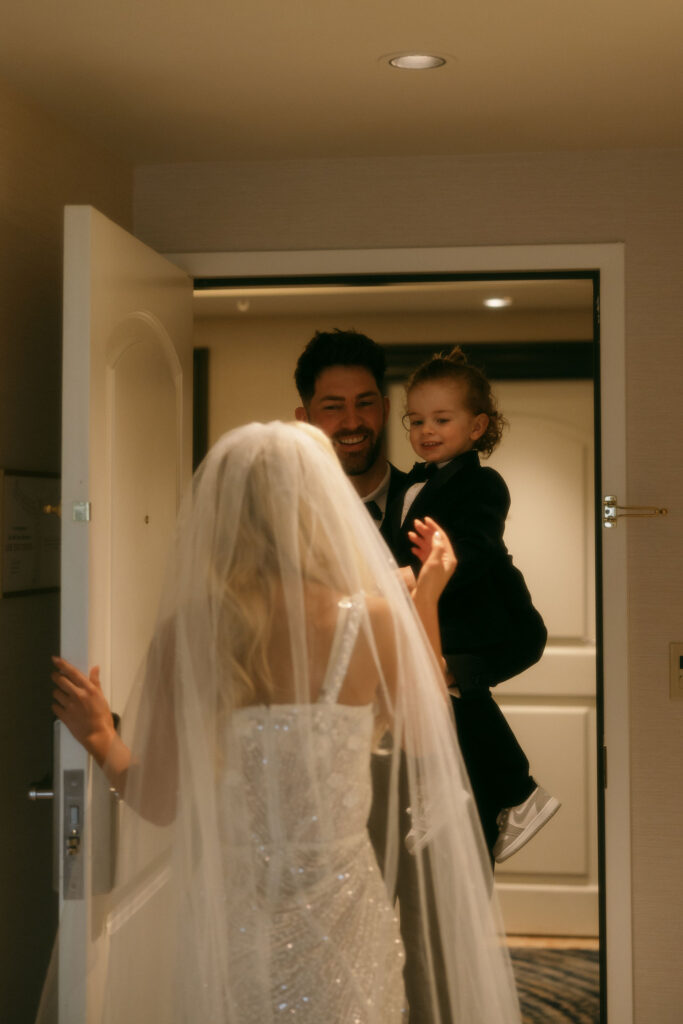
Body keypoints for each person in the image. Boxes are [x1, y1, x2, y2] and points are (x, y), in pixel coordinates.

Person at [47, 422, 521, 1023]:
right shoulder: (371, 623)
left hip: (233, 925)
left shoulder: (190, 633)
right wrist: (424, 598)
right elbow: (429, 738)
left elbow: (159, 801)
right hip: (345, 918)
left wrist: (99, 738)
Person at [386, 347, 560, 861]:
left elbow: (474, 552)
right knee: (438, 691)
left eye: (442, 419)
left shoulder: (482, 484)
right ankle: (496, 802)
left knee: (442, 683)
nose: (426, 430)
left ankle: (517, 791)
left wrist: (416, 578)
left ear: (478, 425)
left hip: (501, 626)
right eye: (416, 420)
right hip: (460, 626)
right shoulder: (411, 485)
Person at [294, 328, 407, 540]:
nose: (353, 422)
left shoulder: (431, 500)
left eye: (364, 403)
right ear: (304, 420)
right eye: (333, 407)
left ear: (385, 410)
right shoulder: (284, 515)